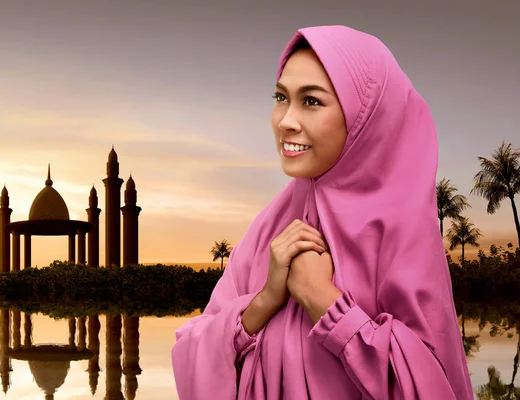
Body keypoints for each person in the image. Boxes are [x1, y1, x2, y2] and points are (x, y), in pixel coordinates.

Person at [171, 25, 474, 400]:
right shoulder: (272, 227)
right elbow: (191, 349)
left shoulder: (400, 236)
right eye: (281, 97)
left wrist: (322, 300)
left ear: (366, 118)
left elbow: (431, 386)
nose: (286, 121)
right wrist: (265, 300)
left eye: (311, 101)